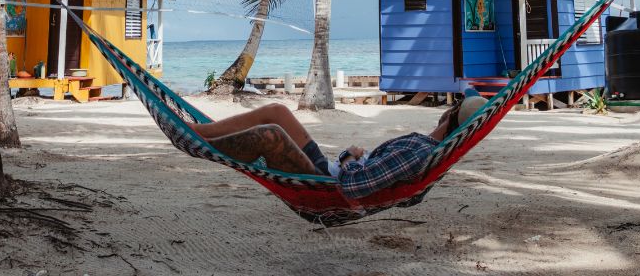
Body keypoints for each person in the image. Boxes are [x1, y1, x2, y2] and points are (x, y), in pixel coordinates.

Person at [189, 96, 486, 199]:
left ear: (450, 115)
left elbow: (354, 184)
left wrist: (349, 159)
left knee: (270, 135)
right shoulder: (424, 144)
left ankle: (201, 142)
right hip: (327, 167)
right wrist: (350, 156)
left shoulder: (420, 152)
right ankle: (199, 133)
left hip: (326, 182)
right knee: (278, 112)